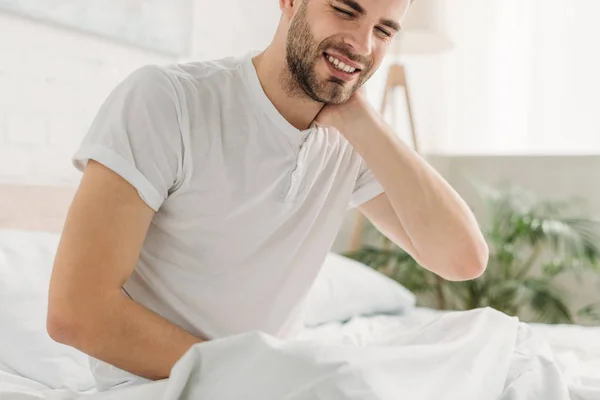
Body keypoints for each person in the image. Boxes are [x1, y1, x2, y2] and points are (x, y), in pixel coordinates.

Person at [47, 0, 488, 391]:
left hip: (270, 384)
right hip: (157, 385)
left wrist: (364, 121)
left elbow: (462, 259)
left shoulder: (348, 140)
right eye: (345, 10)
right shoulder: (168, 101)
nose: (362, 44)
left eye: (384, 30)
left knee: (498, 352)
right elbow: (77, 312)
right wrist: (254, 375)